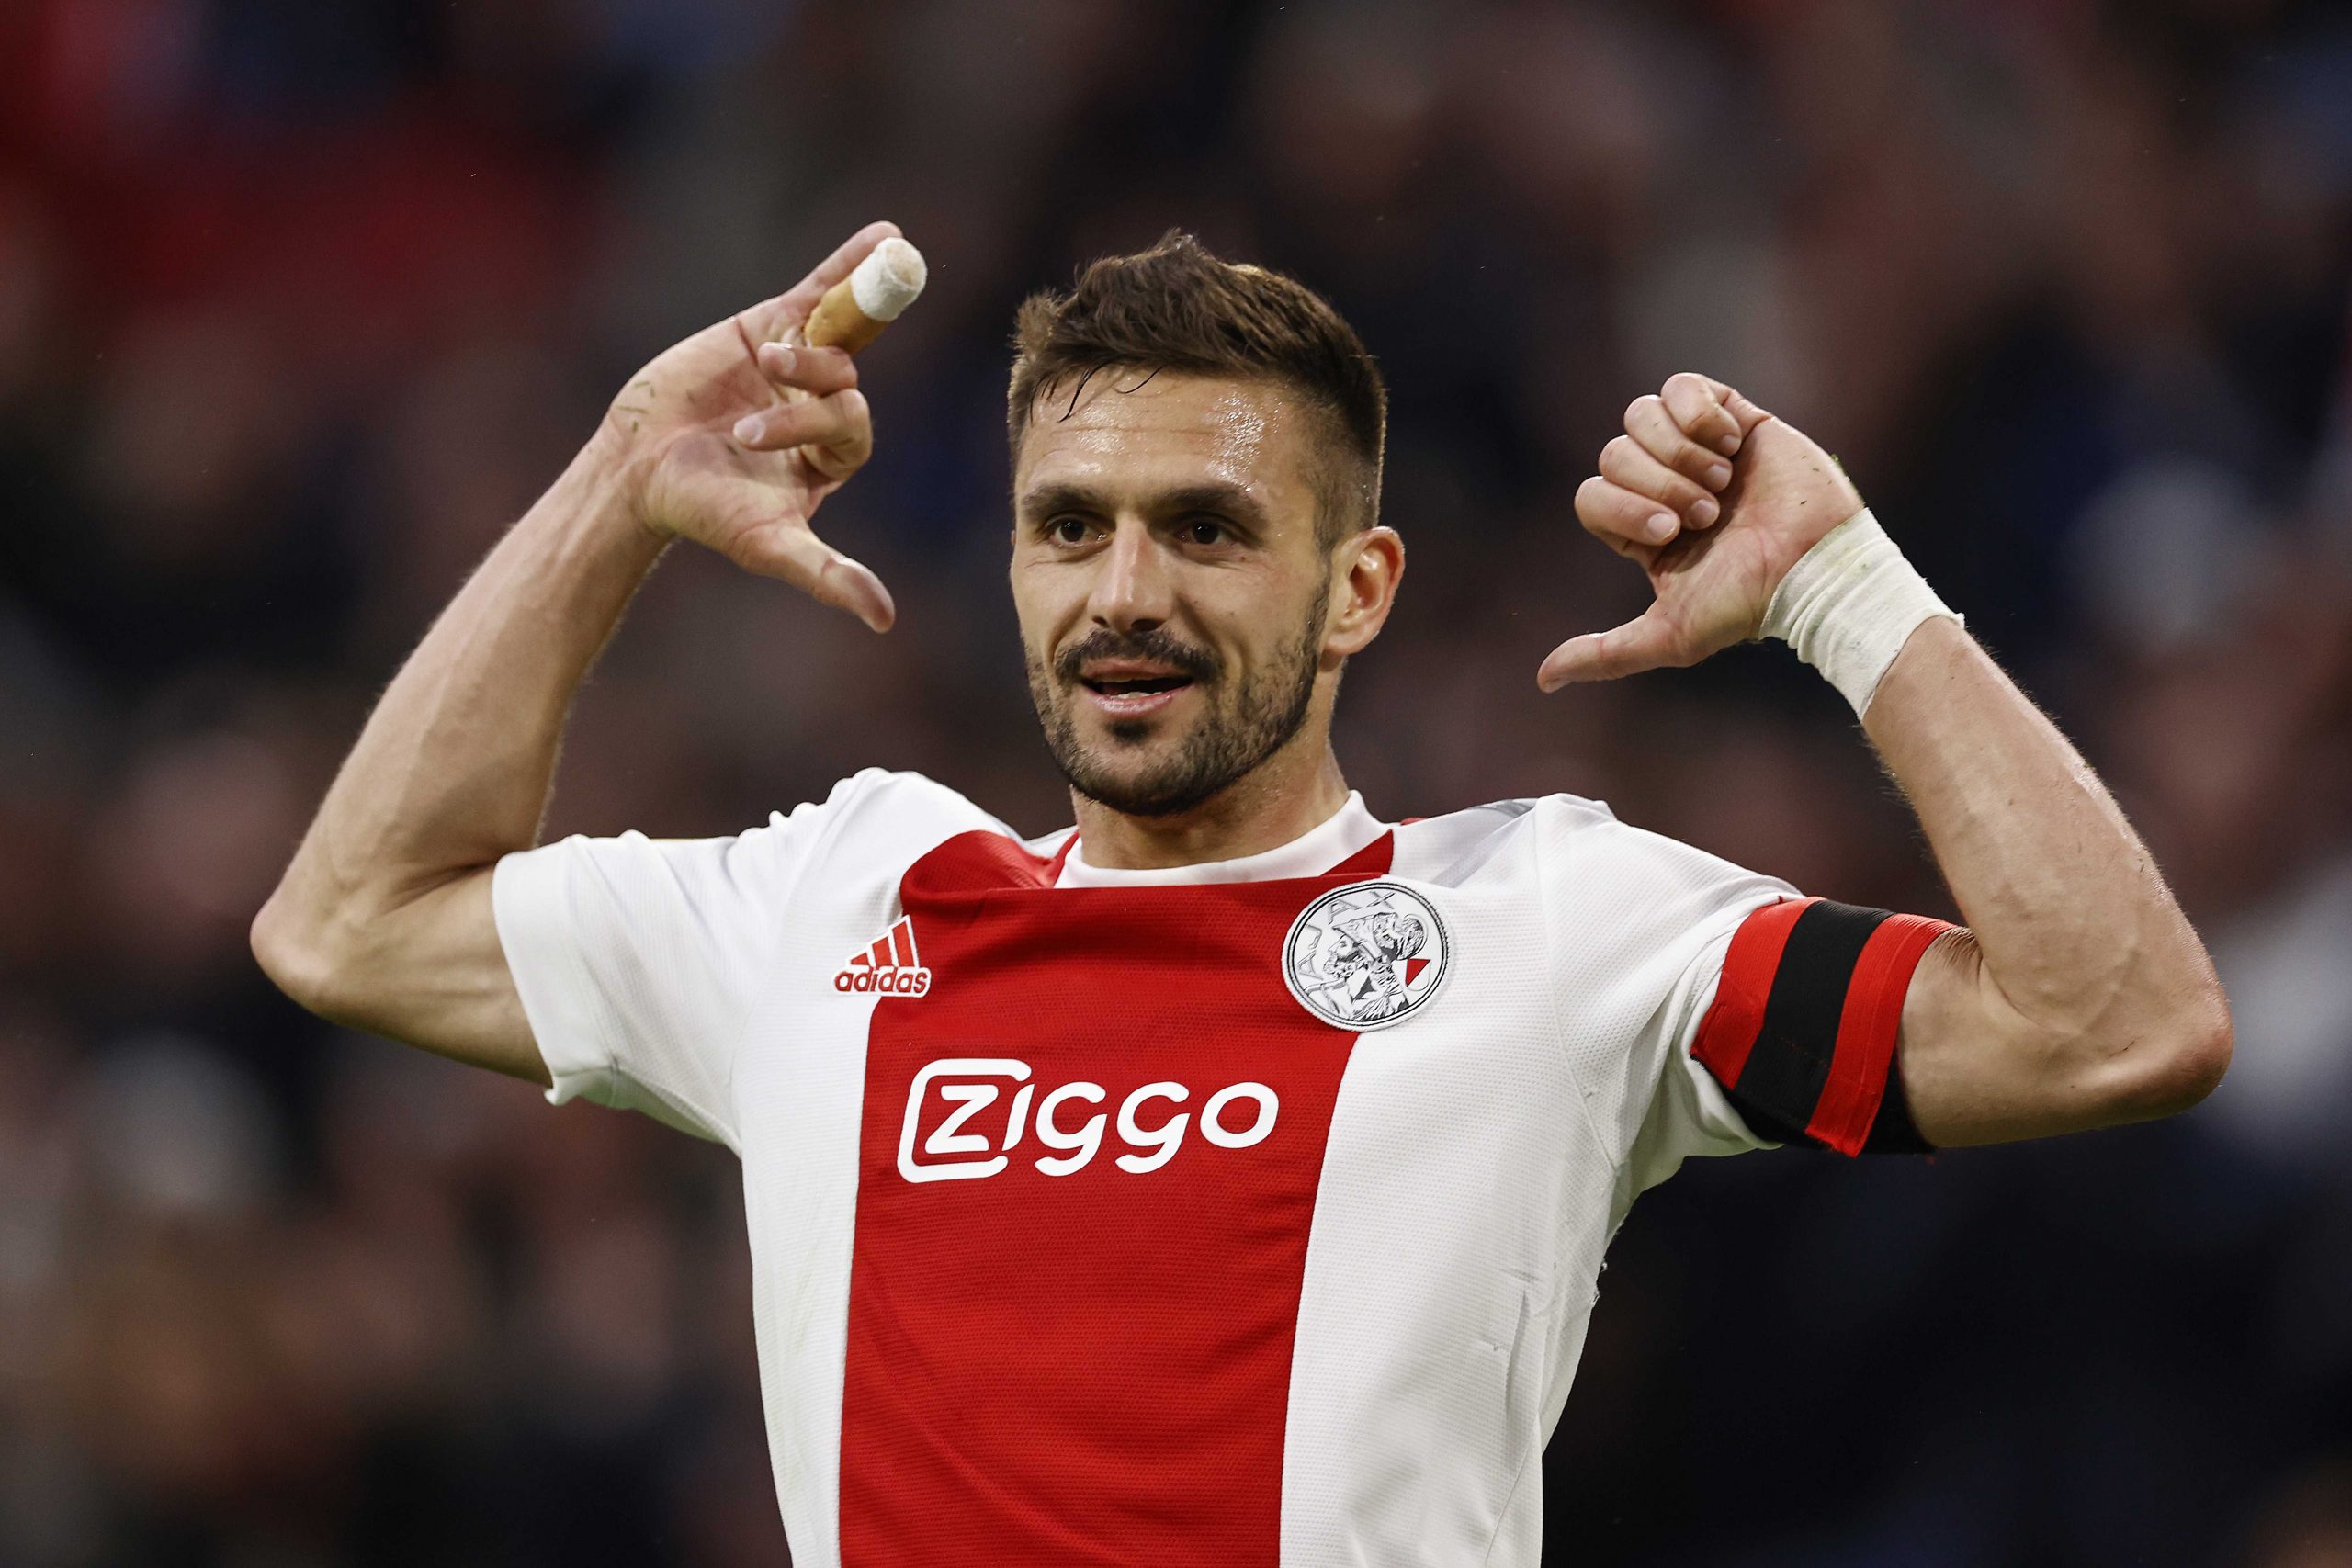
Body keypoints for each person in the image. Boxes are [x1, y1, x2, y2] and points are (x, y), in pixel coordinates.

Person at [251, 224, 2232, 1565]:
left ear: (1352, 590)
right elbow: (351, 917)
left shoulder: (1545, 916)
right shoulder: (838, 901)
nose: (1125, 592)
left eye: (1207, 528)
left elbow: (2112, 1018)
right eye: (1067, 528)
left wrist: (1842, 588)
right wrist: (619, 477)